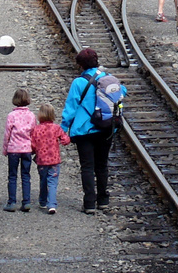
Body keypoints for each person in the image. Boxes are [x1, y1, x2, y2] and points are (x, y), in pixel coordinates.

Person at [61, 47, 123, 213]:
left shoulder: (78, 83)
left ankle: (89, 203)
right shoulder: (109, 79)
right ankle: (103, 200)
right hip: (106, 128)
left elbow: (71, 108)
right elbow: (121, 94)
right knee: (102, 165)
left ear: (81, 65)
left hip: (84, 131)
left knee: (87, 167)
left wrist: (63, 129)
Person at [30, 103, 71, 214]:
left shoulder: (36, 129)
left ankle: (43, 201)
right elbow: (66, 140)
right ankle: (52, 204)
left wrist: (34, 151)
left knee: (43, 181)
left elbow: (32, 145)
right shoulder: (56, 128)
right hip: (54, 160)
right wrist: (63, 140)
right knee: (52, 182)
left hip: (42, 161)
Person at [3, 88, 36, 212]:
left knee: (12, 176)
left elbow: (7, 133)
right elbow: (34, 132)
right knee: (26, 175)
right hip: (27, 148)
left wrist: (5, 148)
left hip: (14, 149)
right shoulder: (31, 115)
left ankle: (11, 202)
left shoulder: (11, 115)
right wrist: (34, 147)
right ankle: (26, 201)